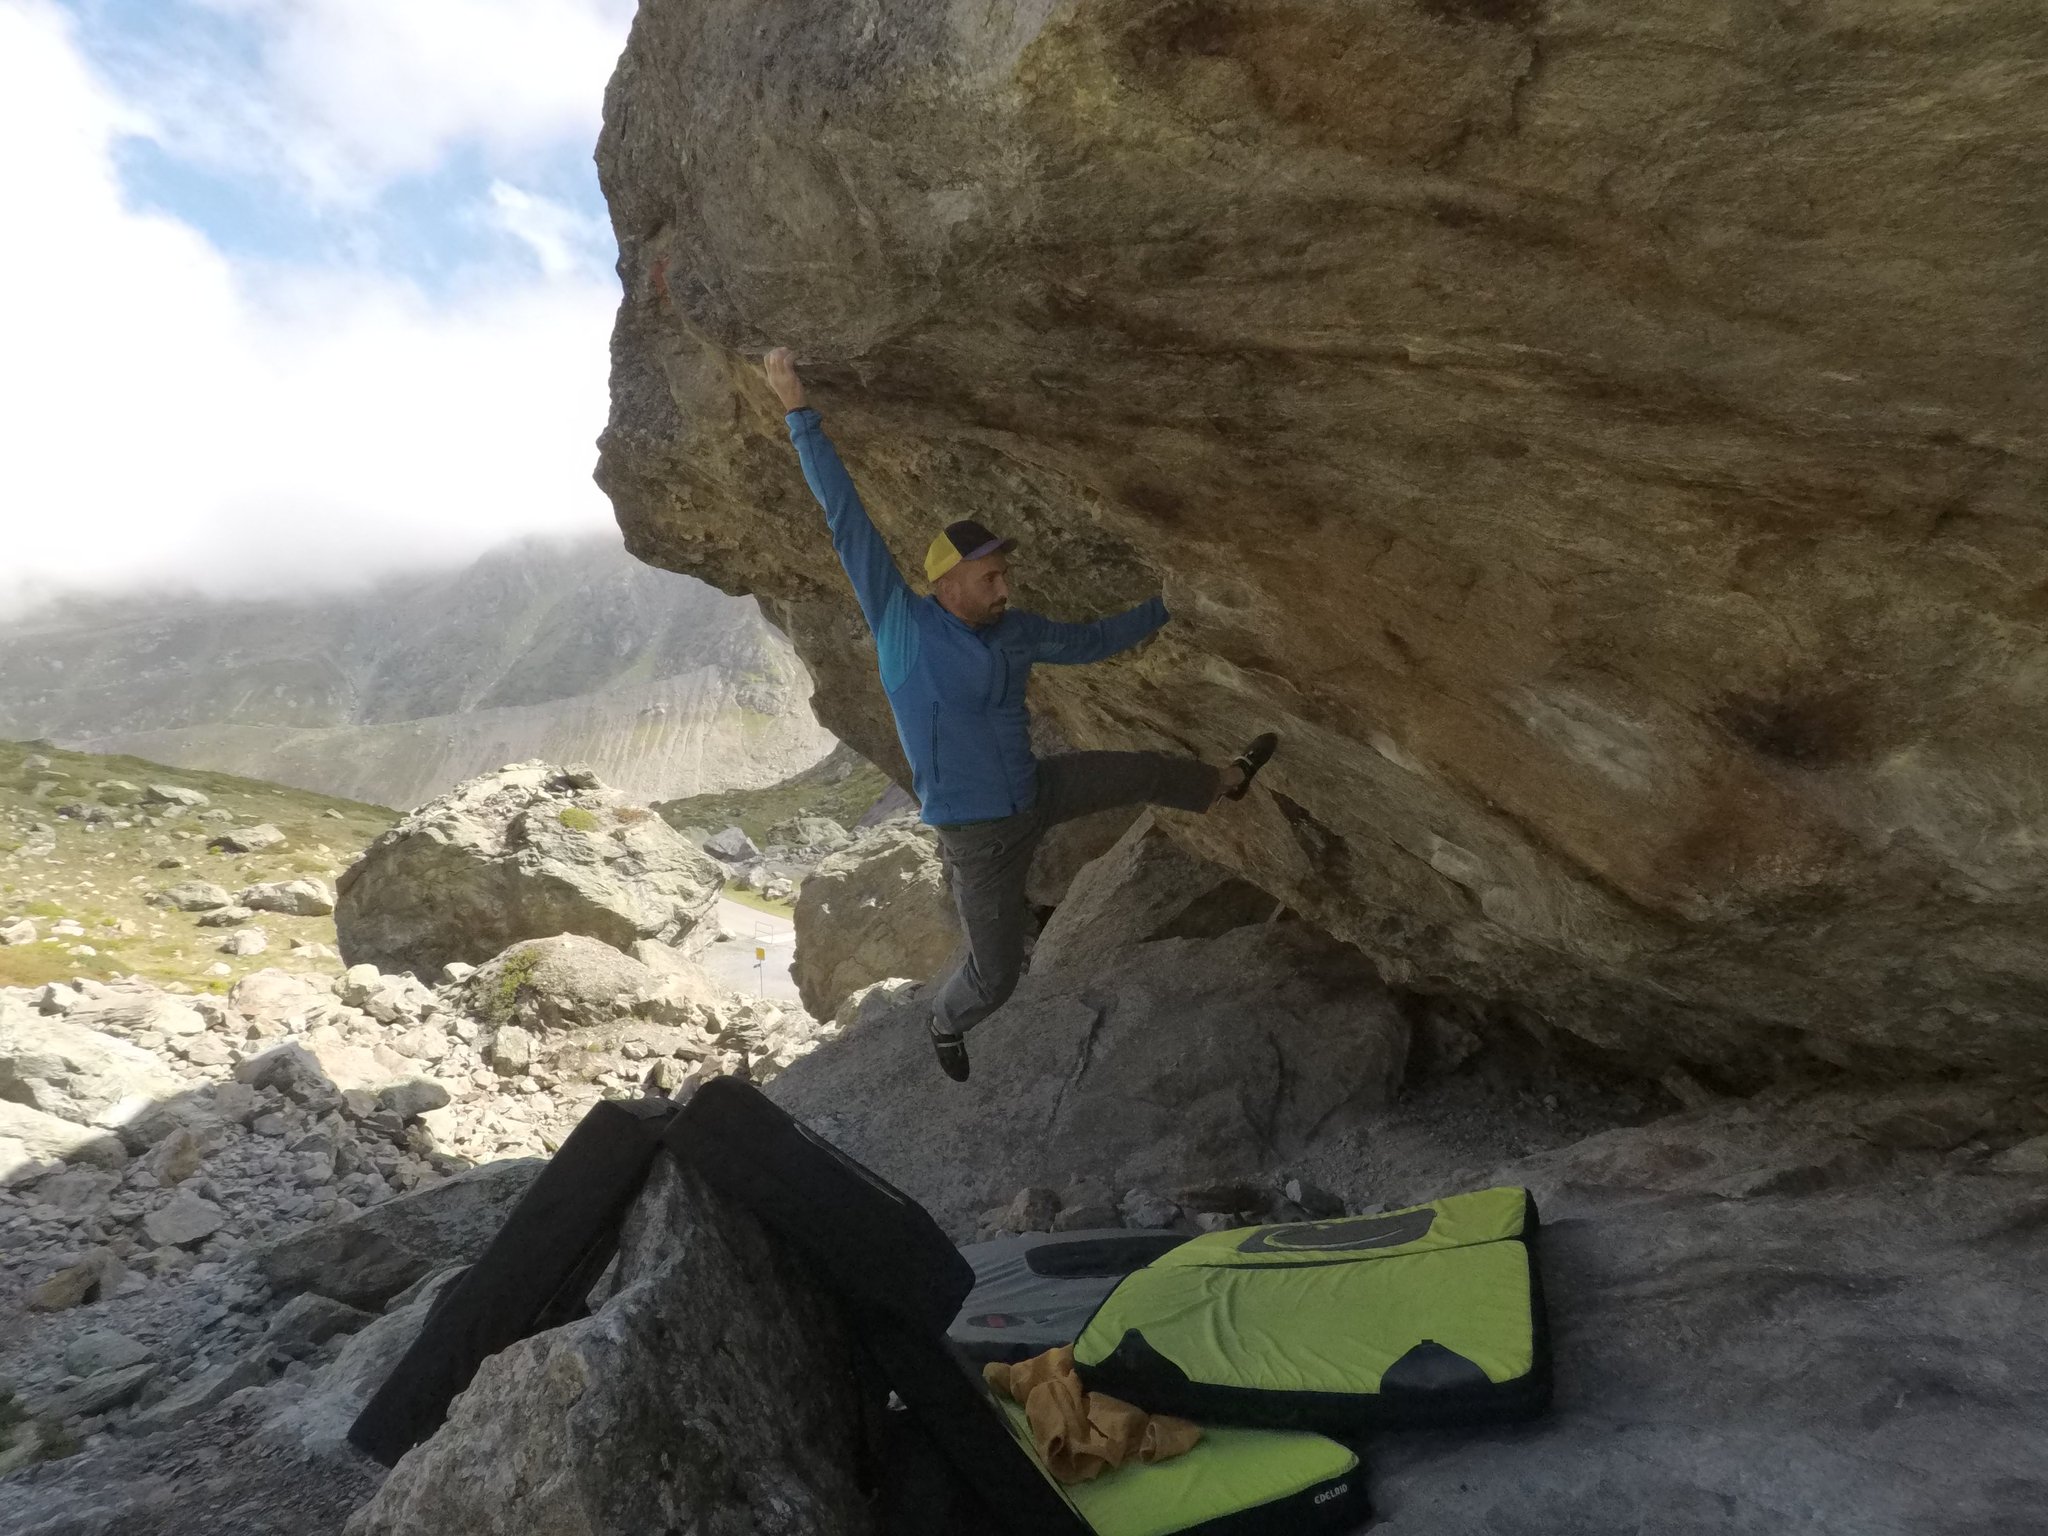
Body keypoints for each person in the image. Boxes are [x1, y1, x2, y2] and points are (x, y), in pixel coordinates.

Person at [764, 348, 1277, 1082]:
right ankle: (947, 1019)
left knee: (1146, 771)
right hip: (979, 839)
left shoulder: (1017, 631)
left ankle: (1228, 780)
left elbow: (1095, 641)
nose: (1006, 588)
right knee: (998, 973)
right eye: (991, 576)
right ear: (948, 582)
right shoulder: (903, 626)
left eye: (1006, 574)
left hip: (1037, 790)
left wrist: (1170, 603)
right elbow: (846, 521)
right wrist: (798, 412)